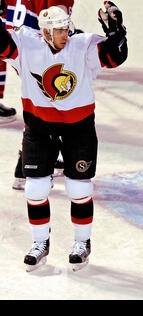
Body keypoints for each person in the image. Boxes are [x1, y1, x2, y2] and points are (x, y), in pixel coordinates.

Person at [0, 1, 127, 270]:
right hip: (39, 127)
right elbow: (2, 45)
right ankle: (39, 242)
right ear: (44, 32)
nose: (64, 34)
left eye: (65, 28)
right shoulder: (26, 43)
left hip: (78, 127)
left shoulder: (81, 45)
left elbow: (115, 57)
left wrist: (118, 34)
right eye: (58, 30)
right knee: (35, 189)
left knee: (79, 188)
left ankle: (82, 243)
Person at [0, 0, 75, 190]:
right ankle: (28, 166)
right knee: (50, 100)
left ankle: (33, 163)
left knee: (38, 98)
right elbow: (58, 15)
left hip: (14, 35)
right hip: (33, 42)